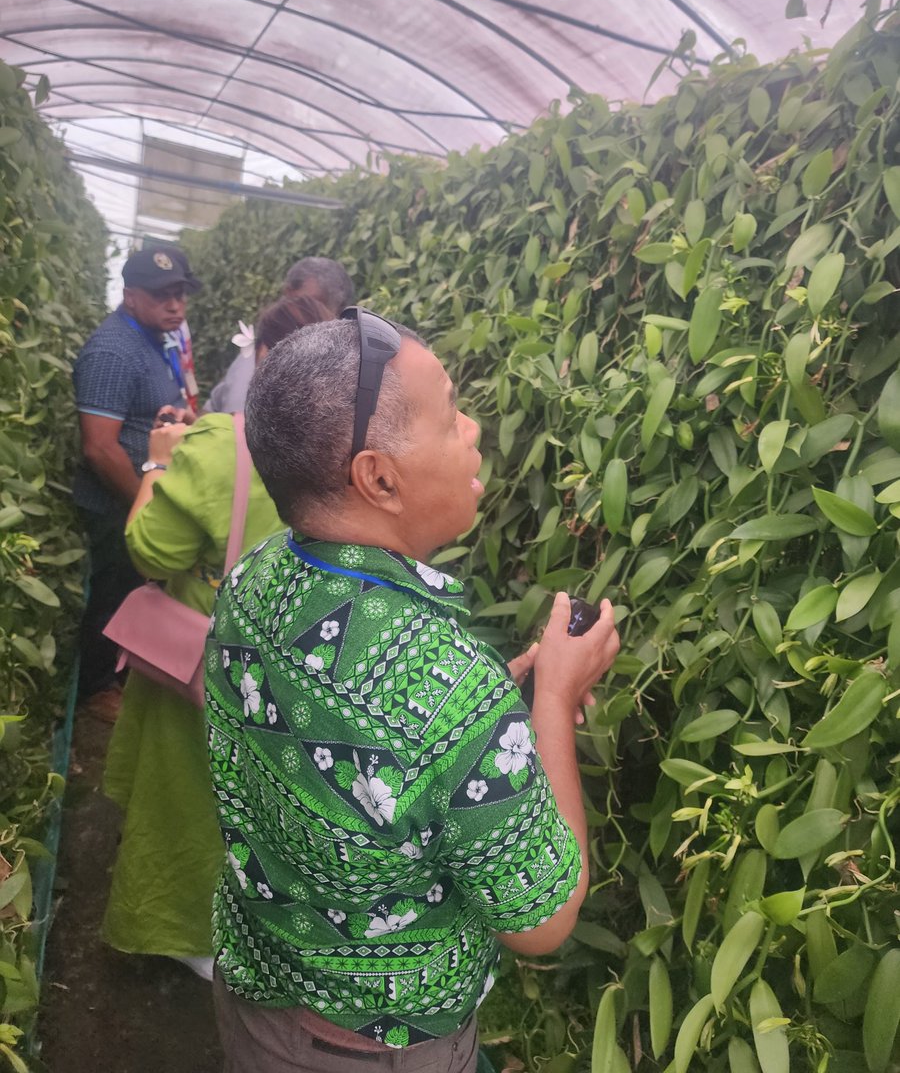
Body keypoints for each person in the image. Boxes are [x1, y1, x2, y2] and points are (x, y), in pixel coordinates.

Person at [206, 311, 620, 1071]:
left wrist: (493, 719)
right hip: (374, 1052)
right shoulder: (446, 696)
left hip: (256, 1003)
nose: (474, 430)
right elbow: (544, 920)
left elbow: (354, 745)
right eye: (450, 412)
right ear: (379, 477)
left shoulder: (256, 576)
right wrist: (551, 705)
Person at [102, 295, 333, 979]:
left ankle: (183, 936)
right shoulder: (356, 451)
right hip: (305, 670)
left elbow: (151, 552)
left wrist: (155, 463)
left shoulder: (224, 446)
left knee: (189, 800)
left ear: (261, 359)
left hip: (208, 670)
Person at [72, 244, 201, 723]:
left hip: (141, 495)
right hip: (115, 503)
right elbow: (100, 448)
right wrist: (140, 506)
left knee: (134, 586)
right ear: (130, 296)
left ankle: (121, 672)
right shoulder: (112, 352)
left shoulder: (152, 340)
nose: (175, 305)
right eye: (162, 295)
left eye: (181, 294)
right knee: (112, 592)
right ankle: (95, 687)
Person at [203, 256, 353, 414]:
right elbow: (235, 429)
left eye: (327, 315)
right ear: (288, 294)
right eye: (307, 305)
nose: (317, 321)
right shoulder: (255, 369)